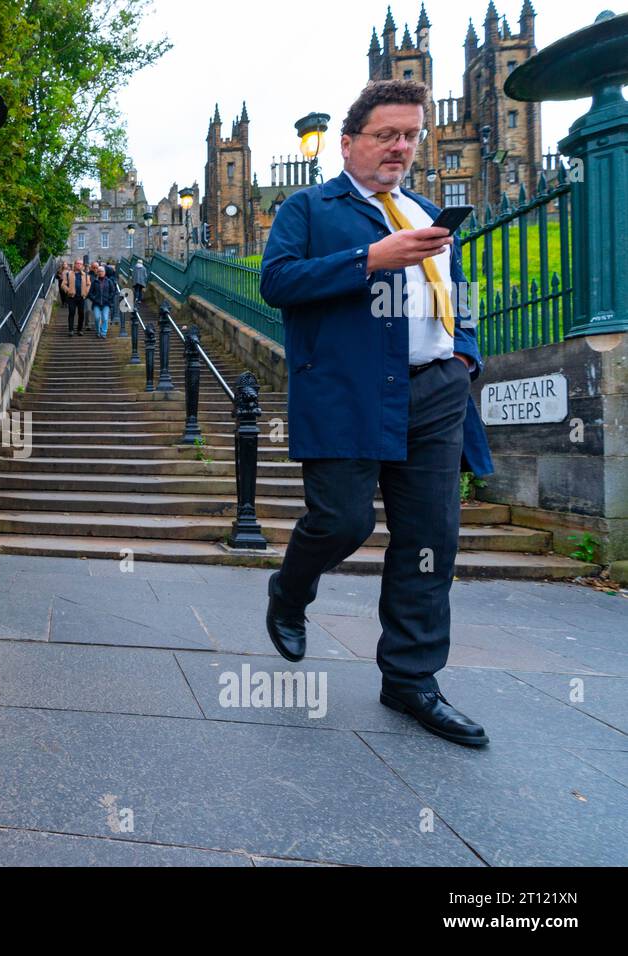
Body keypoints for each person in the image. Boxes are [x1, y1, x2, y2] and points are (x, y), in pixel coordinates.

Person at [258, 78, 495, 747]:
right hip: (346, 393)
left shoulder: (425, 211)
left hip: (436, 392)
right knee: (343, 519)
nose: (400, 146)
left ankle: (411, 680)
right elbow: (278, 283)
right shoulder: (310, 208)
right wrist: (369, 259)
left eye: (411, 135)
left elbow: (460, 294)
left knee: (429, 541)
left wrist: (464, 357)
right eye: (386, 134)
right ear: (350, 142)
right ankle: (290, 591)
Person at [61, 258, 91, 335]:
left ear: (82, 265)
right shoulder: (68, 274)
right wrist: (68, 290)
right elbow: (63, 285)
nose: (79, 265)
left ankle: (80, 330)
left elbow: (88, 284)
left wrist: (86, 292)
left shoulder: (85, 274)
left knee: (81, 314)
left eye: (80, 264)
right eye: (77, 263)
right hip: (72, 297)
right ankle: (71, 330)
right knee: (72, 313)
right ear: (75, 264)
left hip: (81, 297)